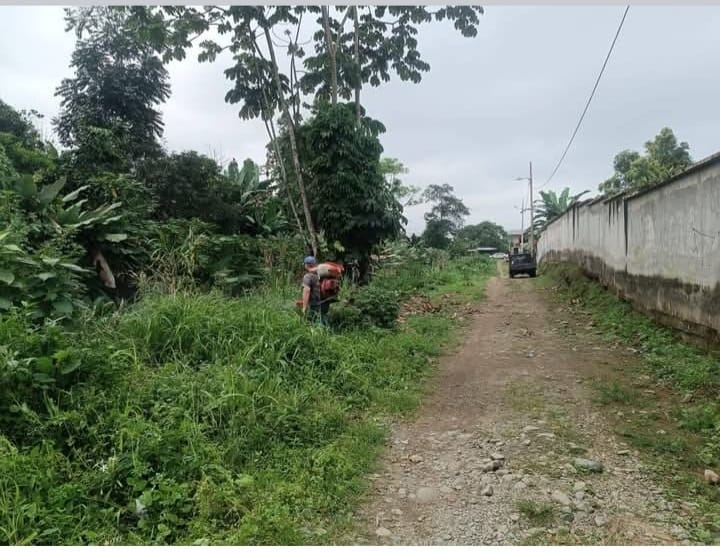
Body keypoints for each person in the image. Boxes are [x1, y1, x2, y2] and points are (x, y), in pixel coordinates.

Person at [301, 255, 328, 326]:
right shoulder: (322, 275)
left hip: (314, 304)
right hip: (325, 302)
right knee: (323, 319)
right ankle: (328, 331)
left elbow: (307, 291)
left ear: (307, 265)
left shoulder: (308, 276)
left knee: (314, 322)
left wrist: (304, 307)